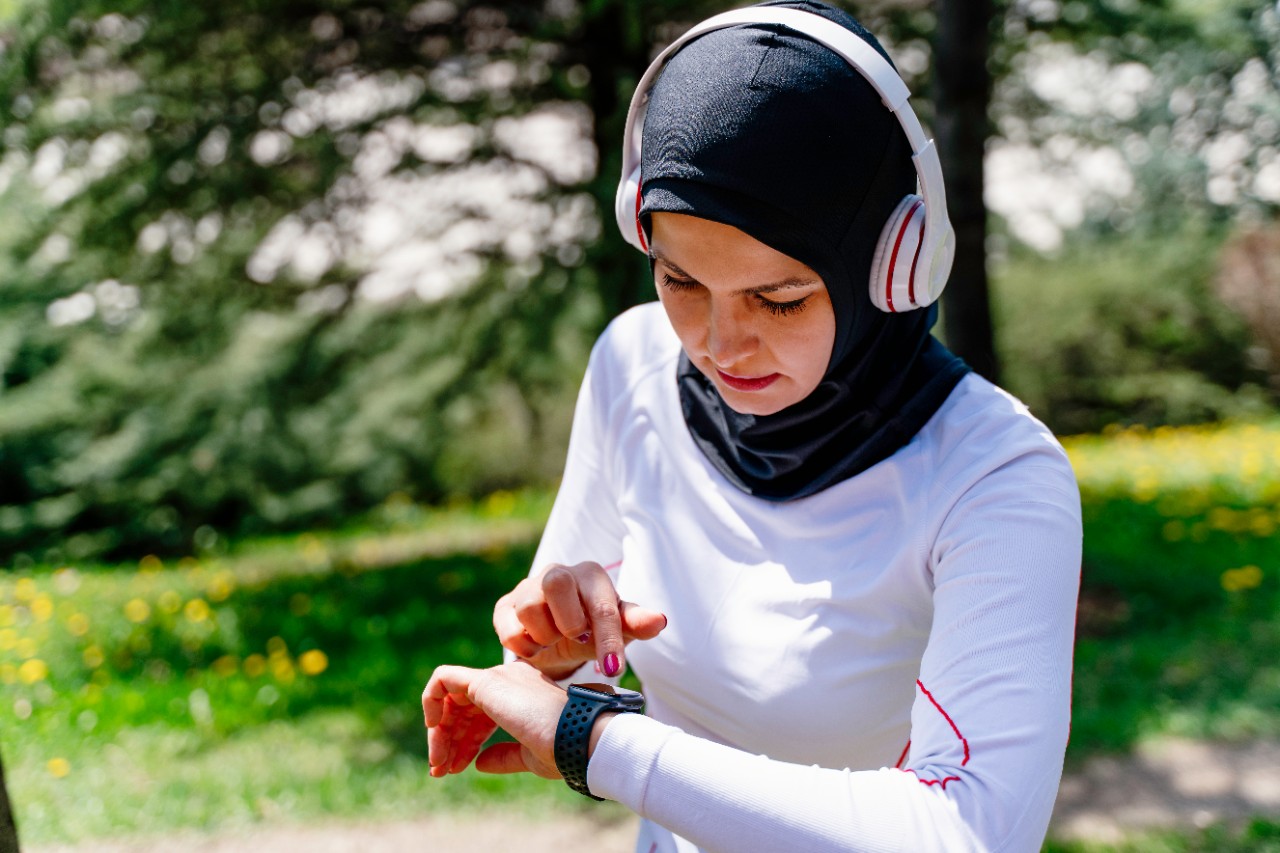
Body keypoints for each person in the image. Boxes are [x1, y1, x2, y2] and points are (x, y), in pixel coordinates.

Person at [423, 2, 1082, 851]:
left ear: (896, 260)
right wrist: (559, 656)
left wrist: (597, 742)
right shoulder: (632, 361)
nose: (718, 344)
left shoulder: (996, 477)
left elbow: (971, 833)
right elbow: (583, 666)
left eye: (778, 298)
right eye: (680, 280)